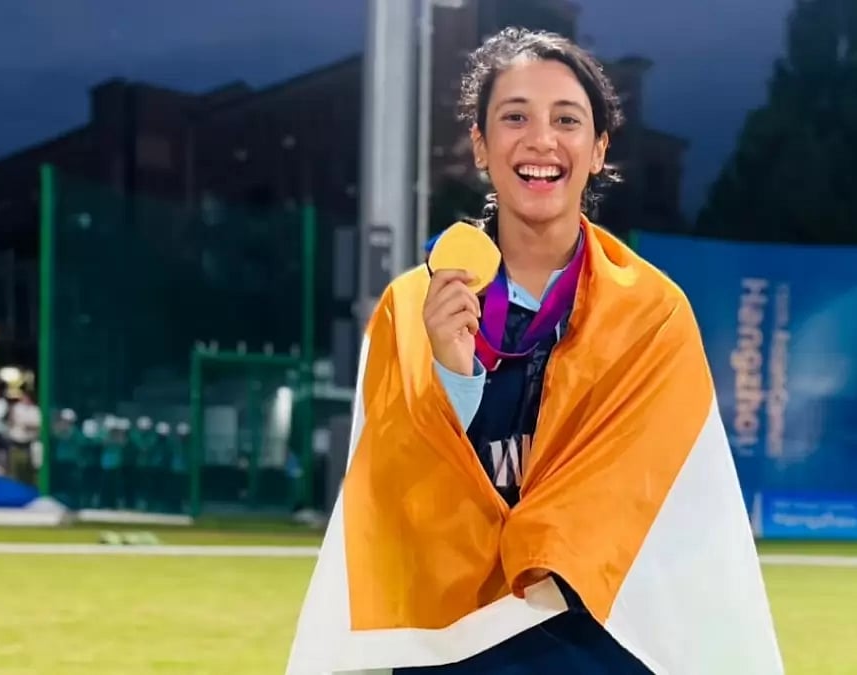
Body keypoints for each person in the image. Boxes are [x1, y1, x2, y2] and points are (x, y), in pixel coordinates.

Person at [288, 28, 782, 675]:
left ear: (599, 149)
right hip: (455, 650)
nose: (541, 140)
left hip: (598, 646)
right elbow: (389, 501)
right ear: (480, 145)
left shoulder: (651, 313)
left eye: (567, 120)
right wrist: (450, 374)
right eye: (514, 116)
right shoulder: (409, 308)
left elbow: (657, 505)